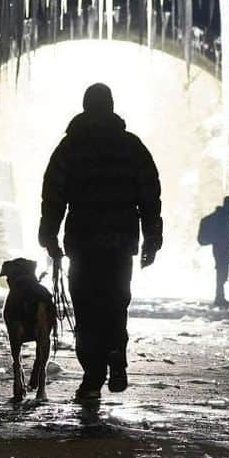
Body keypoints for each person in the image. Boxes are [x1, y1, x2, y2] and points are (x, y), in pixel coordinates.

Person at [38, 83, 163, 401]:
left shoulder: (70, 147)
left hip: (83, 242)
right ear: (110, 106)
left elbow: (54, 193)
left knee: (86, 308)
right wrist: (152, 237)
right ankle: (116, 355)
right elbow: (149, 192)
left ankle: (93, 376)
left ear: (85, 106)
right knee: (116, 302)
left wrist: (49, 235)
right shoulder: (131, 147)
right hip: (120, 243)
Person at [197, 196, 229, 307]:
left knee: (222, 273)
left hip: (221, 248)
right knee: (221, 273)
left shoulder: (222, 216)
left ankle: (220, 297)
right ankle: (219, 298)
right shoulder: (222, 217)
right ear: (228, 206)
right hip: (221, 249)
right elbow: (224, 234)